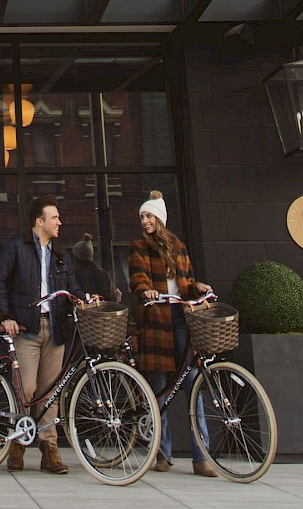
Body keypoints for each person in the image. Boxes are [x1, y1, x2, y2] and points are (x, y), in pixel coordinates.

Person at [128, 190, 217, 476]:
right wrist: (146, 290)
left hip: (180, 318)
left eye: (149, 216)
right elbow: (137, 278)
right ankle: (162, 454)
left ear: (160, 218)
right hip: (155, 320)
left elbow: (187, 283)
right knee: (159, 390)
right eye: (142, 216)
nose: (145, 221)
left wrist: (198, 287)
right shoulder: (138, 246)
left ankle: (201, 455)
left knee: (193, 383)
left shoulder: (178, 246)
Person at [0, 195, 76, 475]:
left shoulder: (60, 255)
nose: (59, 222)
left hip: (55, 328)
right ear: (40, 222)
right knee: (25, 390)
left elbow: (73, 286)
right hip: (26, 327)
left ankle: (49, 450)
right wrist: (5, 316)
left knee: (49, 393)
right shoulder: (16, 247)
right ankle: (17, 444)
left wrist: (86, 299)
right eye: (54, 218)